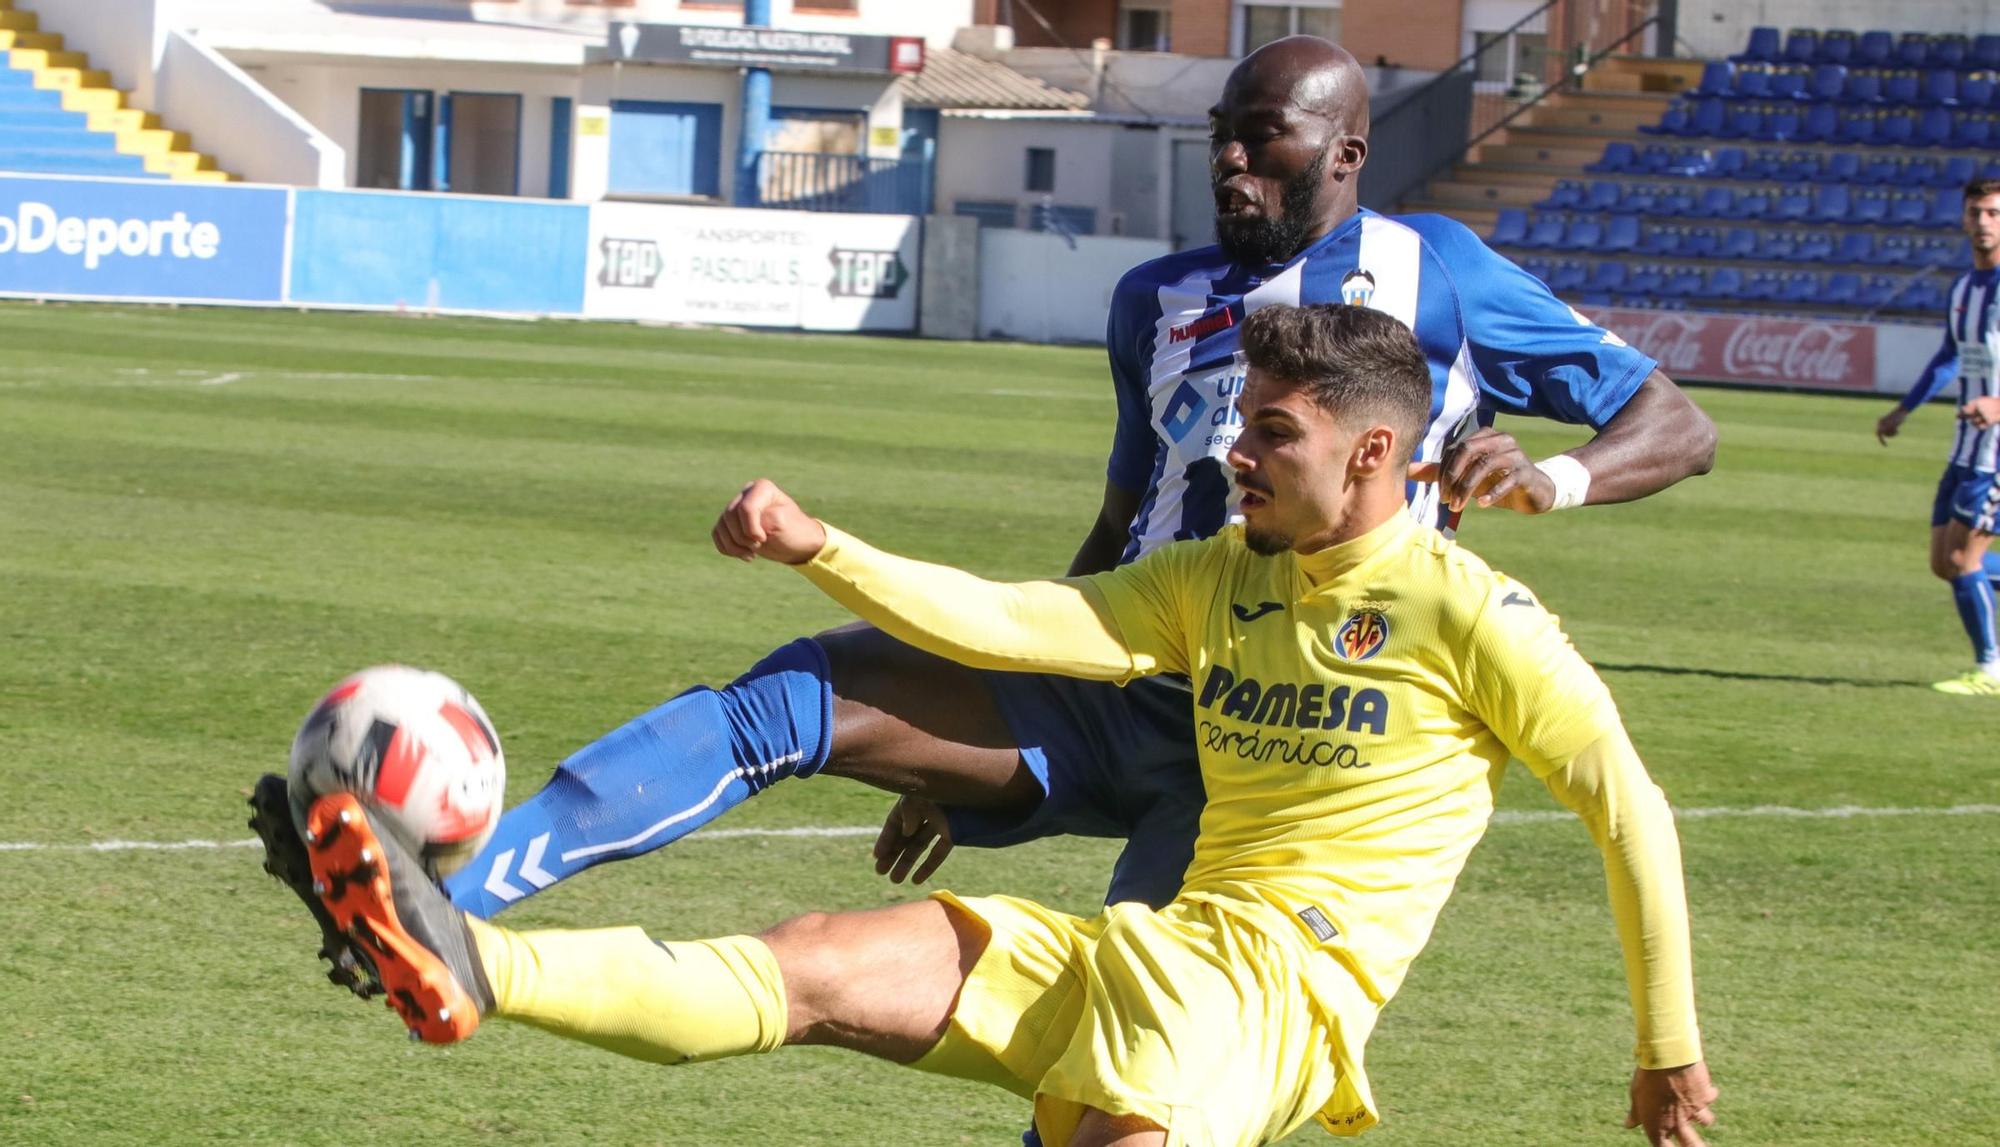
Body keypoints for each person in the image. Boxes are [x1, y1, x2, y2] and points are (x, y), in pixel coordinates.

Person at [252, 35, 1715, 995]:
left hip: (1281, 748)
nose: (1228, 161)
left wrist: (1560, 476)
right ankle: (438, 909)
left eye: (1263, 140)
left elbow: (1675, 418)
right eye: (1220, 134)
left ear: (1345, 154)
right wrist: (967, 721)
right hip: (1113, 683)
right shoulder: (1158, 301)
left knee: (1122, 1058)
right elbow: (1120, 525)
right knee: (807, 687)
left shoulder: (1437, 266)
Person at [273, 304, 1717, 1147]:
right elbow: (1012, 620)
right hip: (1155, 946)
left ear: (1375, 452)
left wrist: (1664, 1041)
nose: (1235, 449)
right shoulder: (1222, 571)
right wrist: (817, 546)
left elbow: (1626, 806)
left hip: (1278, 998)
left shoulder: (1473, 613)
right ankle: (469, 957)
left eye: (1271, 431)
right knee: (821, 960)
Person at [1877, 178, 2000, 695]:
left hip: (1997, 453)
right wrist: (1904, 409)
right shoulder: (1965, 288)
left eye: (1993, 213)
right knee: (1942, 563)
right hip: (1964, 446)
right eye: (1975, 213)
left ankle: (1990, 669)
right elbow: (1949, 357)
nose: (1983, 223)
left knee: (1960, 560)